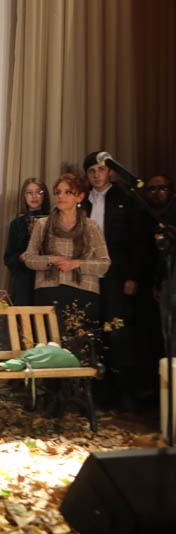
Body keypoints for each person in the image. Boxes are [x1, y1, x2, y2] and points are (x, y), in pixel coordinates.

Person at [22, 173, 110, 416]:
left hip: (83, 292)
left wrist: (76, 264)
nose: (61, 196)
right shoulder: (43, 225)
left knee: (79, 347)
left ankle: (79, 399)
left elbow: (104, 264)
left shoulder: (91, 227)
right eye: (58, 192)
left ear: (80, 197)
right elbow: (28, 258)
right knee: (52, 346)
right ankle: (53, 401)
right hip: (49, 291)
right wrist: (51, 259)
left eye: (67, 192)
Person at [82, 151, 153, 410]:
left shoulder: (126, 199)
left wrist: (133, 276)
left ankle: (126, 394)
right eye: (91, 171)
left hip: (118, 276)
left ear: (110, 171)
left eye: (101, 169)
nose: (96, 175)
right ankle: (98, 395)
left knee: (119, 334)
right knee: (93, 334)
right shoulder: (82, 202)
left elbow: (139, 242)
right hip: (88, 277)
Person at [3, 178, 49, 306]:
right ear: (24, 196)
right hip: (24, 280)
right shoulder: (16, 224)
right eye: (29, 193)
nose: (34, 196)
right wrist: (21, 257)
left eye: (38, 192)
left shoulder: (53, 221)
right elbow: (8, 258)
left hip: (47, 278)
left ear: (45, 195)